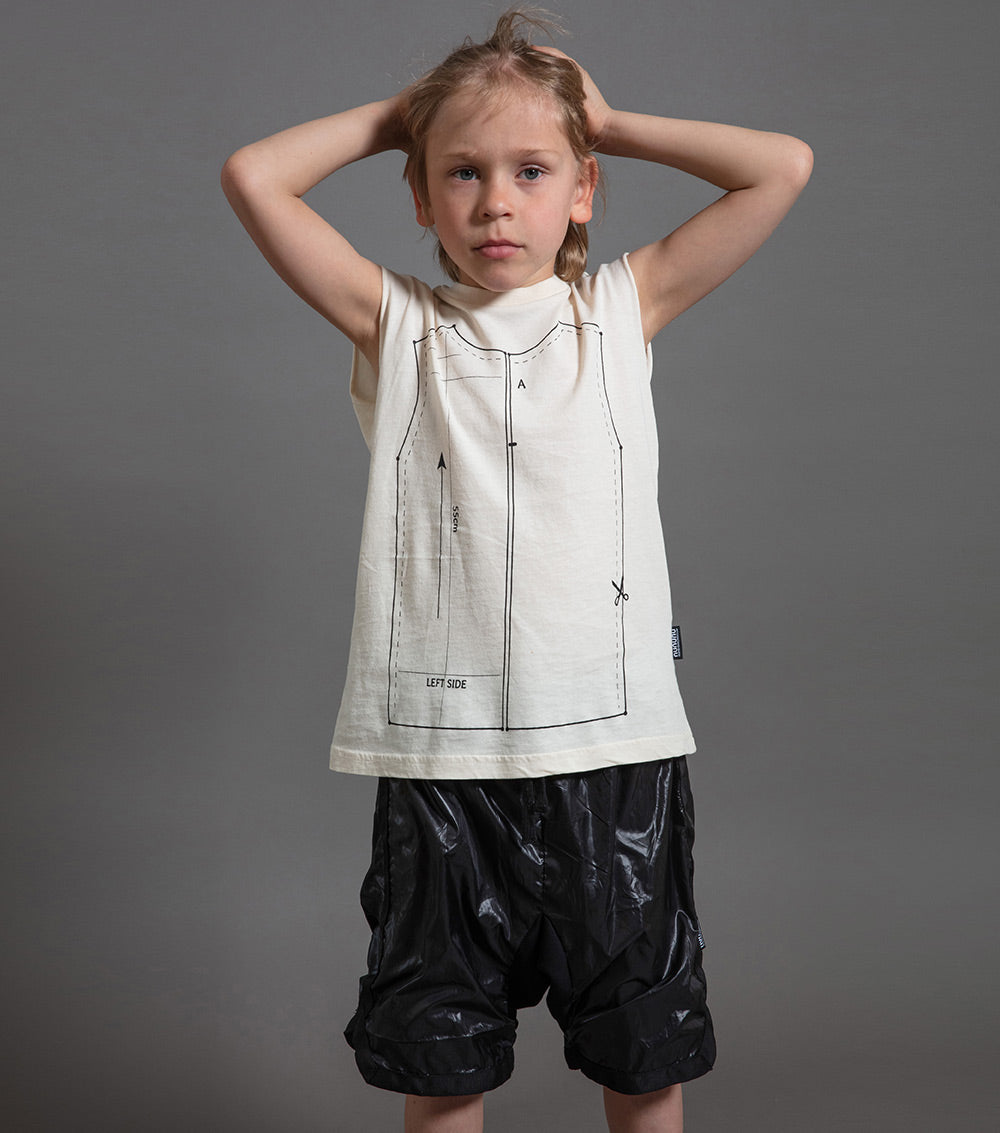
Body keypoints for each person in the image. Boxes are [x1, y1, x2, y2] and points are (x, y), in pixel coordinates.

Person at [221, 9, 811, 1131]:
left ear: (582, 189)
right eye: (462, 172)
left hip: (613, 757)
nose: (496, 201)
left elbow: (780, 166)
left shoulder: (619, 310)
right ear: (419, 196)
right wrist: (405, 117)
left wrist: (610, 121)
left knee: (643, 1054)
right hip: (444, 762)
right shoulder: (398, 327)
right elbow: (255, 176)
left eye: (532, 170)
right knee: (442, 1061)